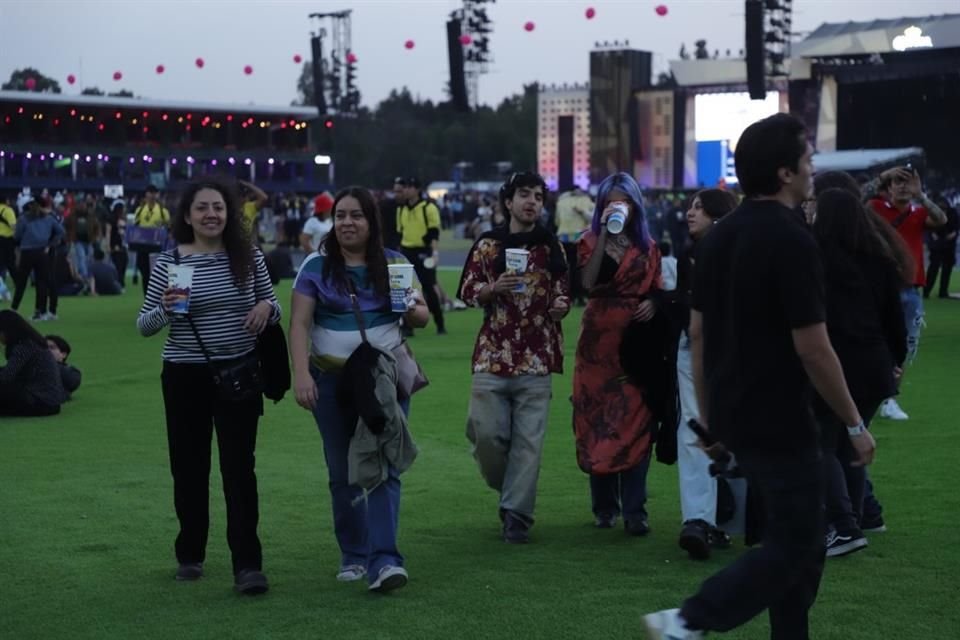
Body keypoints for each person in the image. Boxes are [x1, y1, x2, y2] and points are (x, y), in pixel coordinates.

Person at [643, 113, 875, 640]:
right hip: (782, 417)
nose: (813, 166)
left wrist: (712, 416)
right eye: (807, 158)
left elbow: (697, 335)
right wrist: (855, 423)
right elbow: (814, 348)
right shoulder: (794, 241)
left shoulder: (719, 239)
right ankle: (692, 619)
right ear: (784, 171)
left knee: (800, 546)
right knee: (796, 544)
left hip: (737, 411)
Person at [137, 177, 280, 595]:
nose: (211, 214)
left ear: (230, 213)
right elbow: (145, 325)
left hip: (238, 372)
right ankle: (190, 553)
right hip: (185, 375)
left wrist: (264, 307)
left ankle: (248, 564)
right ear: (187, 216)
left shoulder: (248, 256)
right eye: (202, 208)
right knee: (189, 466)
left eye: (218, 207)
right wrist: (163, 309)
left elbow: (274, 304)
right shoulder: (170, 264)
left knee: (240, 469)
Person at [289, 186, 428, 592]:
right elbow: (299, 324)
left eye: (357, 216)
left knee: (386, 465)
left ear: (372, 222)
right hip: (329, 381)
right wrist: (301, 374)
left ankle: (385, 560)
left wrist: (411, 305)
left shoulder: (396, 263)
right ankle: (353, 553)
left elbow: (419, 317)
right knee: (342, 472)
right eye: (341, 215)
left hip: (383, 380)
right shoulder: (316, 266)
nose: (347, 223)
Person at [458, 172, 570, 543]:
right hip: (493, 354)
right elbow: (467, 291)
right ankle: (510, 489)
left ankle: (517, 515)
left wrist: (560, 307)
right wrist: (494, 287)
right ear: (508, 201)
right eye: (525, 194)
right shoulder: (489, 245)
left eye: (538, 196)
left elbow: (564, 292)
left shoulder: (551, 246)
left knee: (529, 443)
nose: (532, 202)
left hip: (538, 355)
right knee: (485, 435)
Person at [811, 188, 906, 558]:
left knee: (822, 443)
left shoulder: (817, 258)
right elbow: (894, 321)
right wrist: (895, 362)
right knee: (850, 441)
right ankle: (863, 516)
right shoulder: (879, 258)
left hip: (837, 364)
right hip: (875, 366)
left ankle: (844, 525)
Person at [573, 172, 661, 536]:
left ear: (635, 204)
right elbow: (587, 283)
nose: (615, 207)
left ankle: (635, 511)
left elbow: (659, 288)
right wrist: (607, 240)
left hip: (635, 341)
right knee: (598, 422)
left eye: (622, 201)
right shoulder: (589, 240)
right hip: (597, 340)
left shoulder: (649, 245)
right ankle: (604, 508)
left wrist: (654, 304)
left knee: (637, 421)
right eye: (609, 202)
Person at [674, 188, 738, 559]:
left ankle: (715, 518)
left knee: (707, 429)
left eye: (700, 208)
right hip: (697, 349)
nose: (690, 212)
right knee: (695, 428)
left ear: (719, 215)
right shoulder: (690, 254)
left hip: (720, 349)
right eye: (691, 206)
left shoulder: (724, 254)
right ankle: (701, 520)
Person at [866, 166, 947, 420]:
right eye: (897, 183)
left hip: (911, 290)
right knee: (875, 341)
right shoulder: (875, 209)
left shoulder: (918, 212)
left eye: (907, 182)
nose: (902, 187)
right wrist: (880, 177)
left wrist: (921, 195)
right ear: (887, 189)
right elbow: (855, 202)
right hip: (880, 287)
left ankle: (890, 398)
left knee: (905, 346)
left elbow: (942, 219)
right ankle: (872, 393)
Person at [395, 177, 446, 334]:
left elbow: (434, 233)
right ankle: (408, 325)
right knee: (407, 290)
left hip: (424, 251)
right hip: (407, 251)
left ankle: (440, 324)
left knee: (429, 288)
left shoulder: (428, 207)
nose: (406, 190)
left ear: (417, 190)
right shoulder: (401, 209)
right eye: (406, 187)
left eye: (410, 187)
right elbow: (400, 232)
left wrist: (435, 253)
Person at [0, 310, 66, 416]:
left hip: (42, 401)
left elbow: (6, 377)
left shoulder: (24, 346)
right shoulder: (32, 342)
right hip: (49, 401)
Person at [11, 198, 64, 321]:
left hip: (27, 252)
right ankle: (40, 311)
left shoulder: (24, 219)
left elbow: (17, 235)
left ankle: (14, 308)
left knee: (22, 282)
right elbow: (61, 232)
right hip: (42, 252)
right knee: (42, 282)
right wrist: (51, 244)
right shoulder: (49, 218)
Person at [554, 186, 595, 305]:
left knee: (566, 269)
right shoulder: (586, 200)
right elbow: (593, 219)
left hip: (563, 238)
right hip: (579, 238)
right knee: (580, 268)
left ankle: (567, 296)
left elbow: (557, 221)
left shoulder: (561, 202)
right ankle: (581, 296)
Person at [133, 185, 170, 296]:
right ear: (146, 194)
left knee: (156, 274)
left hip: (156, 247)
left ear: (157, 195)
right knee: (145, 274)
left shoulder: (163, 212)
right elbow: (136, 228)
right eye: (150, 192)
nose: (152, 195)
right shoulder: (139, 211)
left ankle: (156, 297)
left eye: (154, 193)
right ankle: (147, 298)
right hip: (143, 247)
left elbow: (168, 229)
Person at [924, 196, 958, 299]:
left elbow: (956, 227)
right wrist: (933, 235)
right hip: (937, 245)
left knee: (947, 268)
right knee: (934, 268)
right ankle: (927, 291)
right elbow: (928, 227)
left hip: (949, 244)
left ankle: (943, 292)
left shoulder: (953, 213)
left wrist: (953, 233)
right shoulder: (932, 214)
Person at [108, 201, 129, 287]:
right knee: (118, 264)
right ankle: (119, 282)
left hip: (123, 244)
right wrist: (109, 245)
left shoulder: (124, 219)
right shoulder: (112, 220)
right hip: (115, 244)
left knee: (124, 261)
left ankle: (121, 281)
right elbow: (108, 233)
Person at [0, 192, 16, 302]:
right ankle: (17, 284)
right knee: (10, 263)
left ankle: (2, 287)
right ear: (6, 201)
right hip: (7, 240)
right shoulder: (8, 210)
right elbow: (13, 226)